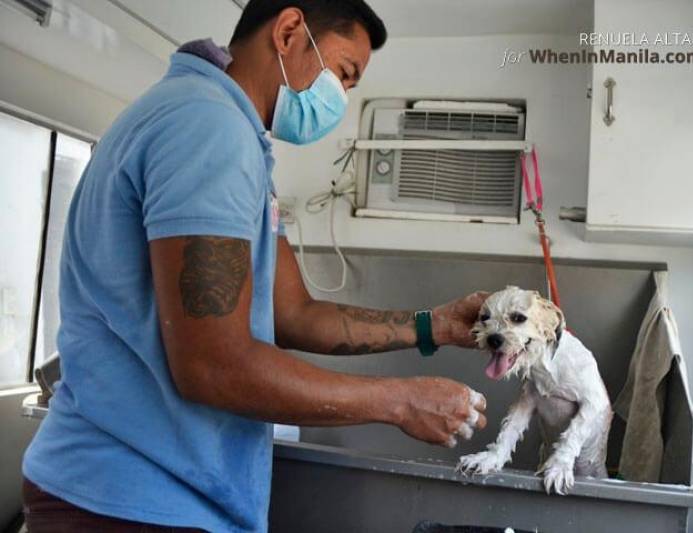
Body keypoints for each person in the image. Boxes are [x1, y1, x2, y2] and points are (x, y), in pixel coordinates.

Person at [21, 1, 489, 531]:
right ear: (289, 32)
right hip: (128, 500)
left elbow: (293, 313)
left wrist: (436, 325)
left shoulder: (225, 131)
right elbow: (215, 365)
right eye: (342, 74)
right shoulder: (207, 128)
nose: (339, 99)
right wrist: (400, 401)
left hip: (143, 495)